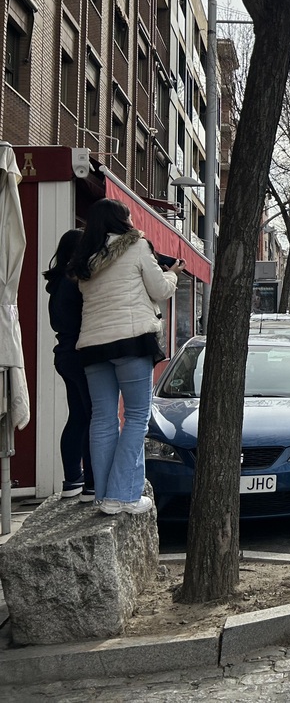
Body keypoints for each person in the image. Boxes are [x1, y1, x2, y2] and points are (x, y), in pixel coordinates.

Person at [67, 199, 183, 515]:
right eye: (129, 215)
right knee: (136, 416)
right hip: (132, 343)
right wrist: (171, 274)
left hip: (92, 346)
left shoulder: (86, 259)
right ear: (122, 220)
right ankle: (124, 495)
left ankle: (104, 495)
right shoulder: (138, 246)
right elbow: (159, 290)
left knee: (103, 419)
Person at [43, 228, 94, 500]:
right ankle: (91, 485)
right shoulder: (76, 282)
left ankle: (73, 479)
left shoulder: (57, 283)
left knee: (77, 417)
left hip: (63, 354)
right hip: (80, 354)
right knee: (94, 417)